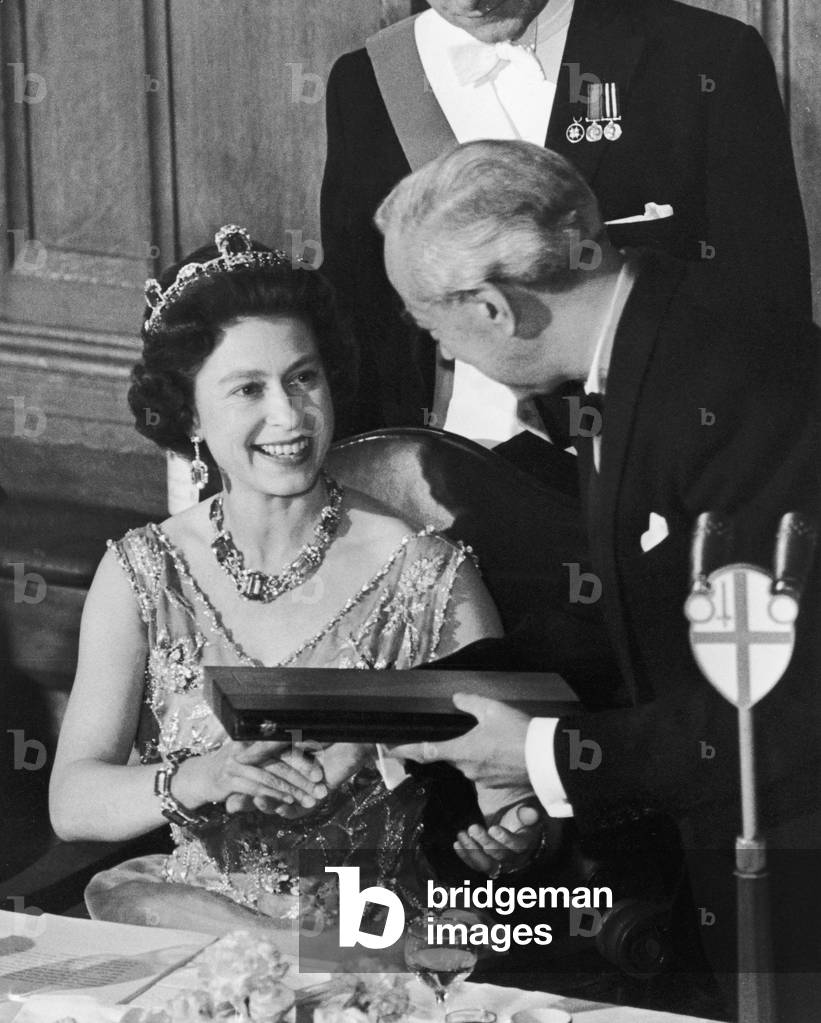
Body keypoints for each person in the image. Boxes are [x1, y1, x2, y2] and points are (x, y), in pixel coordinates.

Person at [376, 140, 821, 1014]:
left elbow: (786, 700)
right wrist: (410, 699)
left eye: (437, 333)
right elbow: (644, 618)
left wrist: (543, 755)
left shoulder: (740, 378)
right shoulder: (645, 339)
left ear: (493, 308)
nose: (451, 357)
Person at [48, 224, 518, 940]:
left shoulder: (428, 578)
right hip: (191, 928)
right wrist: (200, 778)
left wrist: (509, 836)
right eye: (248, 388)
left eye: (304, 377)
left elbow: (504, 798)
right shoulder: (145, 570)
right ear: (189, 413)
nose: (289, 416)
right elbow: (72, 801)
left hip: (373, 945)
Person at [321, 0, 811, 442]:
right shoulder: (365, 80)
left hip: (652, 464)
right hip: (445, 465)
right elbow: (355, 311)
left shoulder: (707, 57)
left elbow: (766, 309)